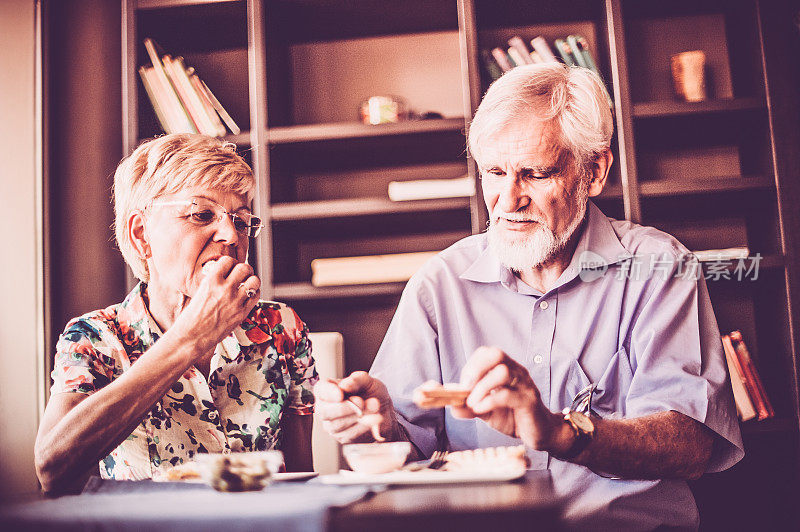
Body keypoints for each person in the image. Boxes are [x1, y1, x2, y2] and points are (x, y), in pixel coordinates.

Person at [316, 63, 743, 528]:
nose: (507, 199)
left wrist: (561, 432)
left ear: (595, 170)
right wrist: (379, 426)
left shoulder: (659, 267)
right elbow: (404, 449)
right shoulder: (439, 283)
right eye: (494, 172)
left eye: (535, 174)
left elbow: (690, 443)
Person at [35, 135, 318, 493]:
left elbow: (303, 480)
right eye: (202, 214)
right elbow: (52, 470)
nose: (232, 235)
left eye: (243, 221)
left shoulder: (281, 327)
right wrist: (188, 338)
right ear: (141, 235)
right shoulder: (95, 337)